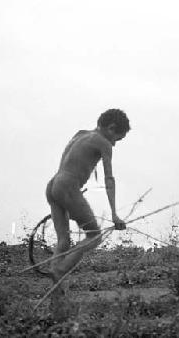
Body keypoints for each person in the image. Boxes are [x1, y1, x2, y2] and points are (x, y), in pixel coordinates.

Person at [45, 109, 130, 295]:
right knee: (94, 236)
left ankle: (55, 290)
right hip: (67, 186)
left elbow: (74, 161)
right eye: (117, 138)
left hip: (54, 185)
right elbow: (109, 180)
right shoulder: (104, 144)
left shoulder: (80, 134)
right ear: (111, 128)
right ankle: (59, 270)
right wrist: (114, 214)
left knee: (63, 241)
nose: (114, 144)